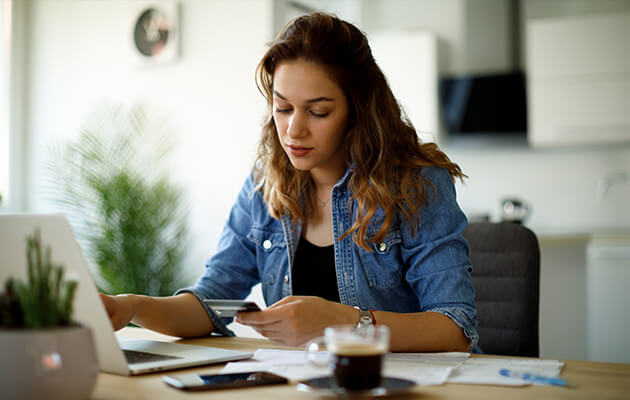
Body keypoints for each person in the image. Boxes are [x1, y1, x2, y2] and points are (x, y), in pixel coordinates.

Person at [100, 12, 478, 353]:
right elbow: (210, 304)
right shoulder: (265, 187)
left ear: (358, 111)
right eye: (282, 108)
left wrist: (343, 322)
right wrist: (131, 306)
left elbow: (455, 329)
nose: (293, 129)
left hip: (407, 386)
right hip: (307, 383)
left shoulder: (417, 184)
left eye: (318, 111)